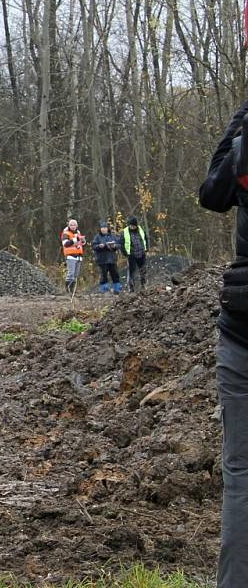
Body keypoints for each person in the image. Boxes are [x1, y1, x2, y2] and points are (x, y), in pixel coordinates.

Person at [199, 101, 248, 587]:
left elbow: (212, 192)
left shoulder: (244, 143)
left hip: (241, 323)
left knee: (241, 475)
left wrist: (239, 119)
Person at [91, 221, 121, 294]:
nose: (104, 229)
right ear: (100, 229)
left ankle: (117, 290)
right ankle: (104, 290)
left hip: (112, 259)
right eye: (102, 228)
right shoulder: (97, 237)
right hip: (102, 259)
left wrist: (114, 246)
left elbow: (119, 244)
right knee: (104, 275)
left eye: (105, 228)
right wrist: (99, 246)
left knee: (115, 274)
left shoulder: (113, 236)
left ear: (108, 229)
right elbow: (94, 246)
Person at [121, 215, 149, 292]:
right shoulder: (124, 232)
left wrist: (146, 248)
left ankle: (144, 285)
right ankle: (131, 288)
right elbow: (122, 243)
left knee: (143, 270)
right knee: (131, 272)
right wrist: (125, 253)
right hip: (131, 254)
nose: (132, 227)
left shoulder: (141, 230)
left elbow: (145, 239)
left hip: (141, 253)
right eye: (131, 225)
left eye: (134, 226)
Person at [60, 219, 85, 294]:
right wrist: (75, 239)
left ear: (77, 225)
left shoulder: (78, 232)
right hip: (70, 256)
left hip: (78, 256)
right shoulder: (65, 233)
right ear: (68, 225)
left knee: (76, 275)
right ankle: (68, 290)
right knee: (71, 274)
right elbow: (65, 244)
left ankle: (73, 290)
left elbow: (81, 244)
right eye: (71, 225)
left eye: (74, 225)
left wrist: (83, 241)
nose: (73, 226)